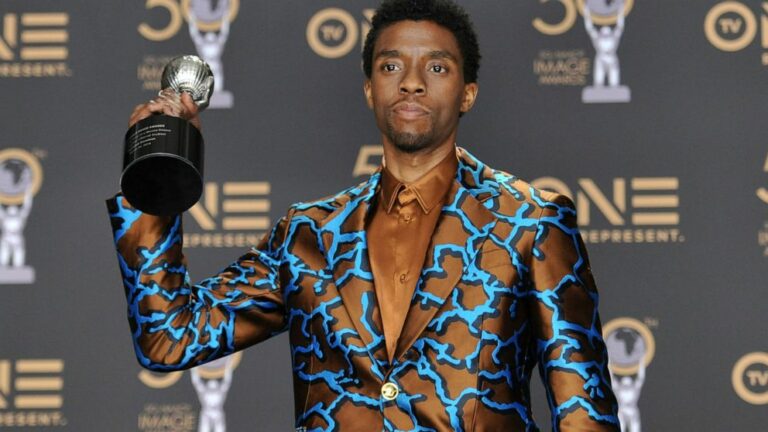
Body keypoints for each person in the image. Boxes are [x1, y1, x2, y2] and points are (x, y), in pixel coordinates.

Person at [109, 0, 620, 430]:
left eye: (437, 67)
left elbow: (584, 413)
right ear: (370, 89)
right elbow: (168, 338)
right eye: (391, 67)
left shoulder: (531, 221)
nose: (412, 83)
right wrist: (154, 182)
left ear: (468, 93)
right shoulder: (308, 235)